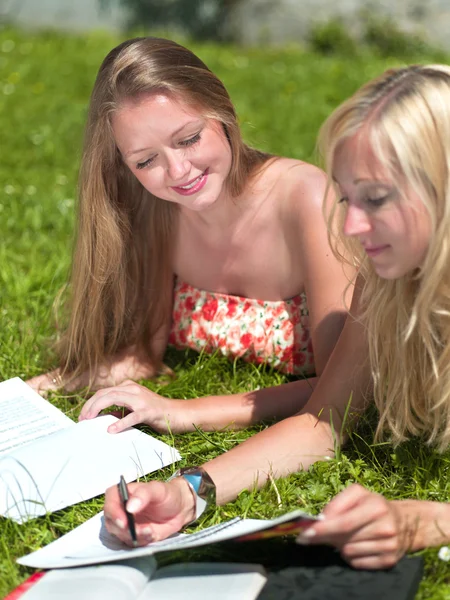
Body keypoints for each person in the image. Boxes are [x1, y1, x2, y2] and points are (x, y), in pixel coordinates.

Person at [102, 64, 450, 569]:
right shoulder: (385, 286)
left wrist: (424, 520)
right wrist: (190, 492)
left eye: (376, 198)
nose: (350, 226)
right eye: (349, 198)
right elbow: (322, 424)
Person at [27, 36, 350, 432]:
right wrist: (42, 388)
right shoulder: (156, 209)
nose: (178, 171)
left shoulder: (306, 198)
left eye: (189, 139)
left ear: (223, 113)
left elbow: (345, 387)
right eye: (146, 160)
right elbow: (143, 358)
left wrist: (185, 411)